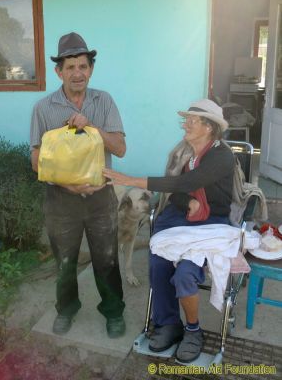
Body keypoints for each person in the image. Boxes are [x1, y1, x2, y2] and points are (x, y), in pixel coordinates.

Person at [103, 99, 235, 361]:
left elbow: (185, 181)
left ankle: (194, 330)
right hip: (182, 217)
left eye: (191, 121)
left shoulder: (221, 155)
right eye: (185, 120)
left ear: (209, 127)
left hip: (211, 222)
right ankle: (168, 324)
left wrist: (130, 179)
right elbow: (177, 192)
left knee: (185, 272)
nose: (185, 125)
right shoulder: (183, 152)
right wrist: (189, 200)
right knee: (159, 262)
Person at [30, 32, 126, 338]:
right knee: (65, 261)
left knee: (107, 259)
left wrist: (92, 126)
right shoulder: (43, 108)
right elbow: (36, 160)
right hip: (61, 200)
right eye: (70, 67)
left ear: (91, 69)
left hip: (101, 199)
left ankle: (113, 312)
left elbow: (120, 149)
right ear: (59, 71)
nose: (77, 73)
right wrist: (68, 185)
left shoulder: (104, 101)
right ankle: (67, 309)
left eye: (83, 66)